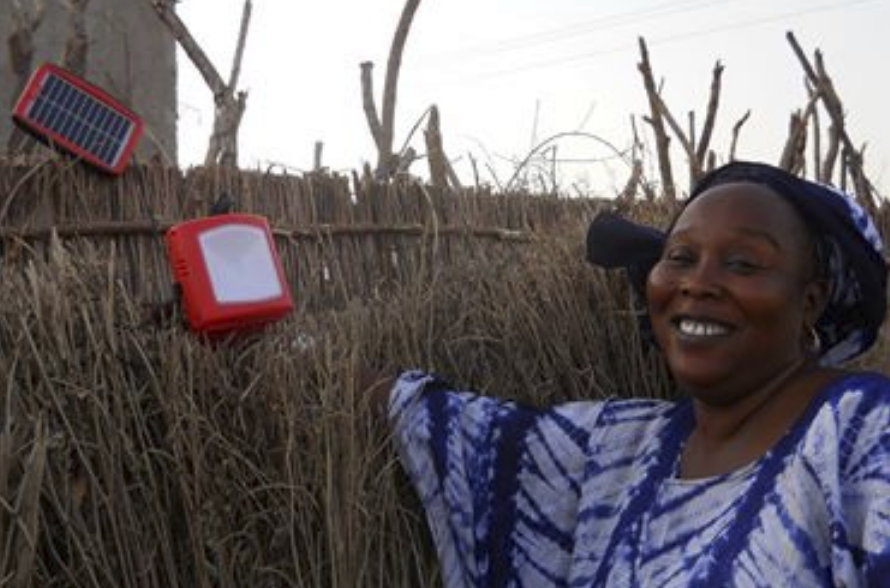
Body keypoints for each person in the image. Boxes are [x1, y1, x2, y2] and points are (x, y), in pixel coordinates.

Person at [374, 161, 890, 587]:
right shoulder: (622, 446)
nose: (698, 283)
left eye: (744, 264)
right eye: (680, 256)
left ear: (811, 299)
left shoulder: (863, 434)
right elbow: (459, 431)